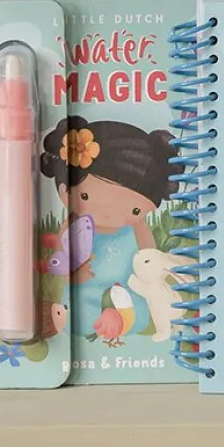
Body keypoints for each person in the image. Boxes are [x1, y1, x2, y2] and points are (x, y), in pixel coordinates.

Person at [41, 116, 176, 338]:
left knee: (137, 316)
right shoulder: (74, 225)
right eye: (85, 196)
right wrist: (74, 274)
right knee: (78, 317)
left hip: (125, 292)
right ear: (65, 190)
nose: (108, 213)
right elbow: (61, 262)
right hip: (83, 292)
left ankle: (117, 323)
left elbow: (149, 254)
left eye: (134, 210)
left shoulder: (137, 228)